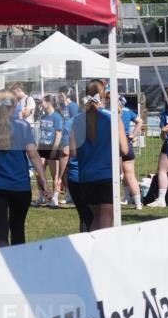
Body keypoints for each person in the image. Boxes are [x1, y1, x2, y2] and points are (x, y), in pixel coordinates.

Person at [0, 89, 48, 246]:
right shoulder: (23, 126)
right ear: (15, 105)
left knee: (0, 233)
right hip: (19, 186)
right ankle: (17, 267)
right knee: (18, 229)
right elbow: (33, 155)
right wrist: (43, 180)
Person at [69, 80, 129, 230]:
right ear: (104, 96)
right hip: (106, 175)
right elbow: (124, 149)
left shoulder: (77, 120)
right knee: (107, 221)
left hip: (85, 176)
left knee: (95, 218)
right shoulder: (113, 117)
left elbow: (73, 152)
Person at [34, 95, 63, 206]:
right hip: (42, 146)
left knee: (54, 174)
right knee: (38, 172)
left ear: (49, 103)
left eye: (43, 101)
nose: (41, 103)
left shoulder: (56, 117)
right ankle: (42, 195)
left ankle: (55, 198)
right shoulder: (43, 116)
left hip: (52, 147)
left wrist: (54, 149)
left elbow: (58, 134)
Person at [118, 96, 144, 209]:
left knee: (116, 175)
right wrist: (132, 136)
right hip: (127, 144)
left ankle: (124, 198)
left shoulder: (108, 111)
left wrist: (132, 135)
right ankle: (136, 202)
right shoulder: (128, 111)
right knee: (130, 175)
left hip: (116, 144)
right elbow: (140, 121)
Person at [56, 86, 79, 204]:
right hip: (64, 137)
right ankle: (69, 193)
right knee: (65, 169)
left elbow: (76, 122)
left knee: (69, 167)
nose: (59, 96)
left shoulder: (73, 106)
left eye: (61, 93)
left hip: (71, 139)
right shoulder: (63, 107)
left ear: (66, 94)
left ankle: (72, 194)